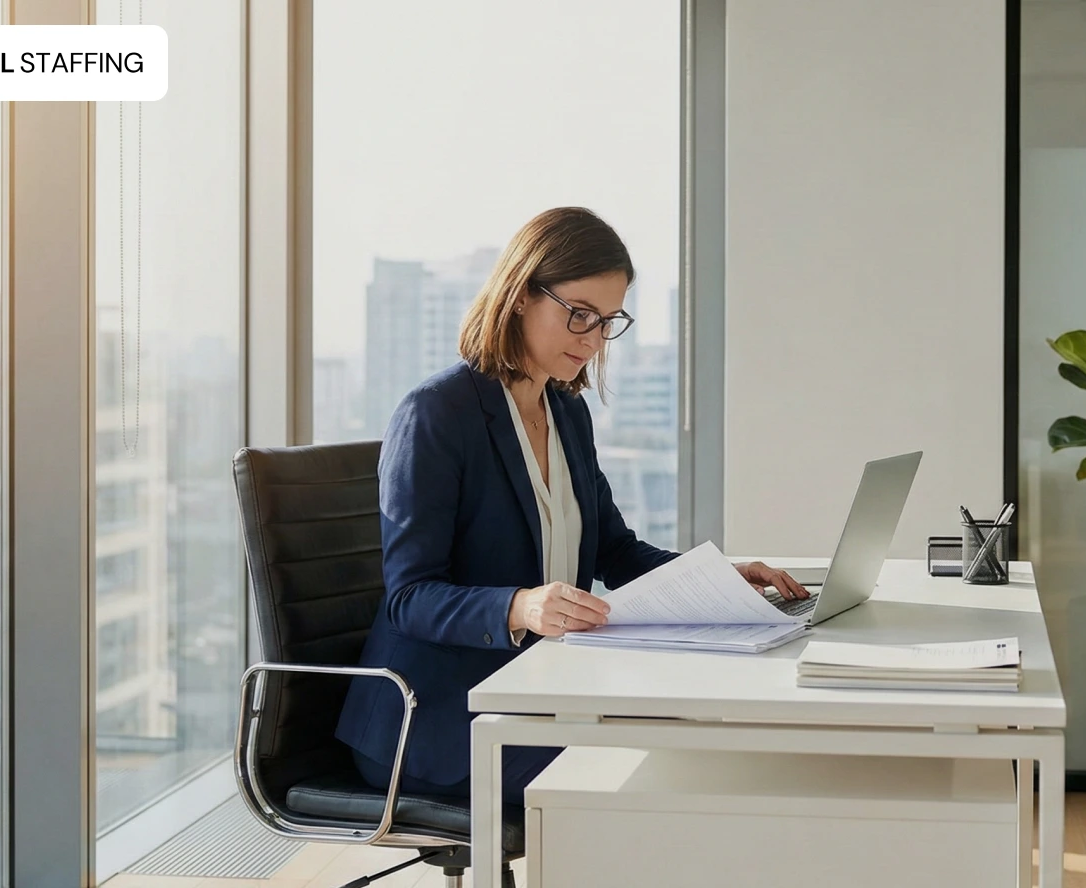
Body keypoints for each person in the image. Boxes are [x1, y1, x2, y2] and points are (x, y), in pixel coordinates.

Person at [336, 207, 807, 806]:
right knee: (647, 767)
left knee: (695, 743)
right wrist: (521, 606)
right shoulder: (436, 414)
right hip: (434, 726)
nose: (593, 339)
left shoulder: (565, 411)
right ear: (520, 296)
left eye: (608, 321)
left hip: (536, 693)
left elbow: (614, 549)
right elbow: (409, 597)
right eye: (579, 314)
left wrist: (716, 580)